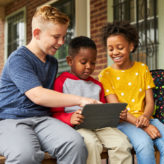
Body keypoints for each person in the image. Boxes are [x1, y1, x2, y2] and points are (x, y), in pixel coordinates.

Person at [0, 5, 98, 164]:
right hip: (11, 120)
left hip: (42, 119)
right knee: (25, 155)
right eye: (56, 36)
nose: (61, 42)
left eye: (64, 37)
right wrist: (80, 99)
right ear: (37, 33)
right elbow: (38, 95)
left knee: (75, 144)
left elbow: (52, 98)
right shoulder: (18, 59)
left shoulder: (52, 62)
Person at [99, 21, 164, 164]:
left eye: (120, 47)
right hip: (123, 122)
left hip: (146, 118)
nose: (115, 52)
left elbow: (150, 102)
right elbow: (117, 109)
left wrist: (146, 118)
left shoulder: (142, 69)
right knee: (144, 144)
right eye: (110, 49)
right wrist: (144, 126)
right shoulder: (106, 75)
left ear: (131, 46)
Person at [51, 36, 132, 164]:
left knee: (122, 142)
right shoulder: (60, 82)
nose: (89, 66)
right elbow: (54, 113)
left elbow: (103, 110)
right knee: (91, 144)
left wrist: (117, 116)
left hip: (101, 127)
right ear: (70, 61)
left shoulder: (97, 85)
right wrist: (69, 118)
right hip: (77, 127)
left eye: (92, 63)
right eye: (83, 62)